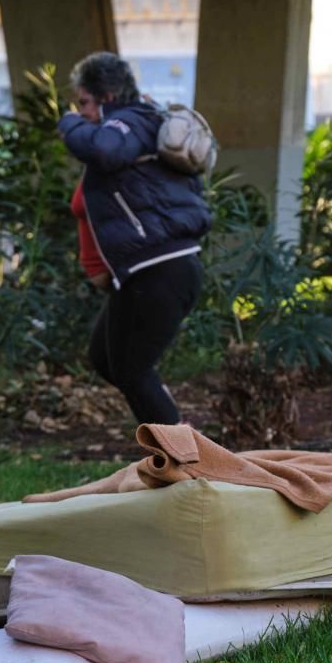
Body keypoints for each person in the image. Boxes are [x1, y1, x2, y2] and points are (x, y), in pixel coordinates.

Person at [58, 51, 212, 426]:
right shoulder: (136, 129)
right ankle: (171, 430)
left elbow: (103, 149)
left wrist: (68, 123)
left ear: (107, 97)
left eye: (84, 104)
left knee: (132, 370)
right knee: (106, 359)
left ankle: (185, 464)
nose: (82, 114)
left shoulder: (131, 123)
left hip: (160, 270)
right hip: (142, 273)